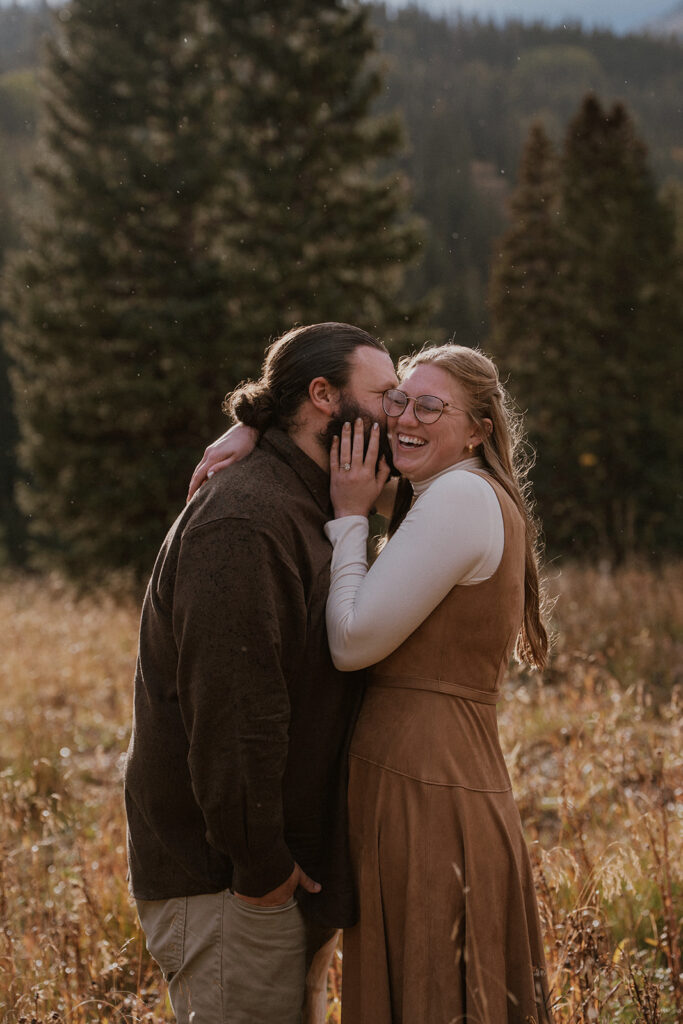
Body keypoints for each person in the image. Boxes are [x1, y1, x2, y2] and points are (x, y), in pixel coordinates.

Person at [194, 342, 554, 1023]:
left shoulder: (457, 496)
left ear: (479, 427)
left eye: (429, 406)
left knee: (429, 990)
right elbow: (333, 414)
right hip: (424, 772)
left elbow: (353, 642)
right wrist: (257, 425)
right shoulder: (446, 486)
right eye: (399, 401)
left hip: (425, 781)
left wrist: (351, 517)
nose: (405, 417)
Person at [124, 322, 399, 1024]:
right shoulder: (247, 518)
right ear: (322, 397)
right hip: (228, 885)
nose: (398, 414)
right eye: (386, 396)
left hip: (276, 877)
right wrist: (262, 869)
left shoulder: (311, 502)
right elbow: (233, 715)